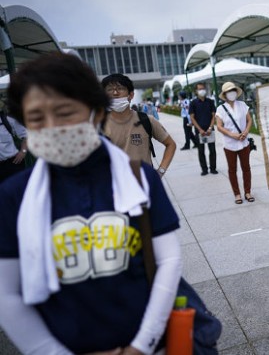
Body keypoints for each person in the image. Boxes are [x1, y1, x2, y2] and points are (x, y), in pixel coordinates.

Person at [0, 52, 183, 354]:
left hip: (146, 343)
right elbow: (6, 293)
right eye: (36, 118)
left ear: (95, 113)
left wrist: (141, 345)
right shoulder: (13, 196)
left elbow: (169, 260)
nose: (52, 126)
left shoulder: (141, 180)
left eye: (64, 112)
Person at [102, 73, 176, 177]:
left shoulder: (146, 120)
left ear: (131, 95)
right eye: (110, 89)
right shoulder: (98, 125)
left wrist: (160, 172)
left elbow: (171, 144)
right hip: (115, 188)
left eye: (120, 88)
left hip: (145, 185)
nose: (115, 93)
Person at [215, 81, 254, 204]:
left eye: (233, 91)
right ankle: (237, 194)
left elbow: (249, 120)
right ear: (225, 94)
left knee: (246, 168)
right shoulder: (220, 109)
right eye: (228, 91)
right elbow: (219, 126)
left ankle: (247, 192)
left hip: (244, 142)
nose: (231, 93)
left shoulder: (242, 105)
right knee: (232, 170)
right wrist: (232, 135)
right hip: (230, 144)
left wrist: (246, 132)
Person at [189, 82, 218, 176]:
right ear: (196, 91)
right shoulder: (193, 103)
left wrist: (210, 127)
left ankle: (213, 168)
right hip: (199, 131)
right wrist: (200, 129)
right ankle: (204, 169)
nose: (202, 90)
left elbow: (214, 115)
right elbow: (192, 117)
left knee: (212, 150)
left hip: (210, 130)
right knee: (201, 151)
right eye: (199, 89)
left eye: (203, 88)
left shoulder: (210, 102)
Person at [0, 104, 28, 183]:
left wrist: (23, 152)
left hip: (13, 164)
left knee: (19, 192)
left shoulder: (7, 119)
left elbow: (26, 136)